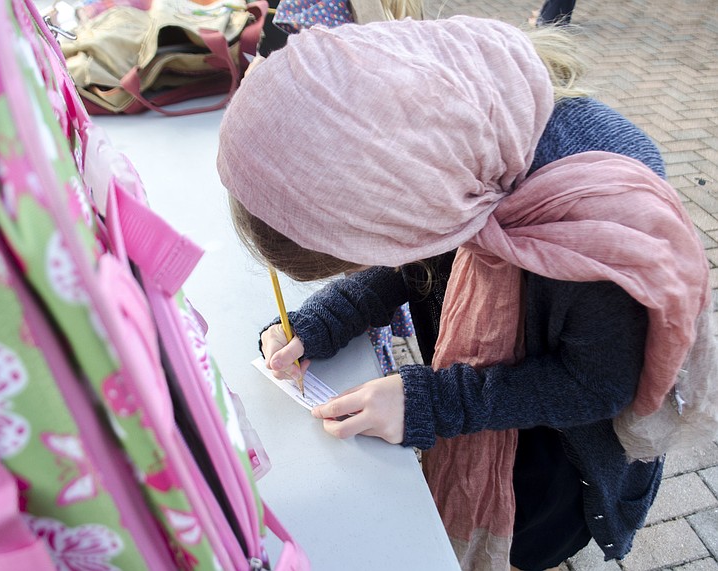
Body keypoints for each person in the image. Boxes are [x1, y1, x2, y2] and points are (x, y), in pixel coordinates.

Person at [217, 16, 716, 571]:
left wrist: (429, 402)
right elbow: (417, 261)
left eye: (368, 250)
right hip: (483, 401)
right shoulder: (432, 140)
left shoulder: (598, 226)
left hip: (551, 455)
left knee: (521, 548)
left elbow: (599, 385)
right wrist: (328, 318)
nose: (389, 257)